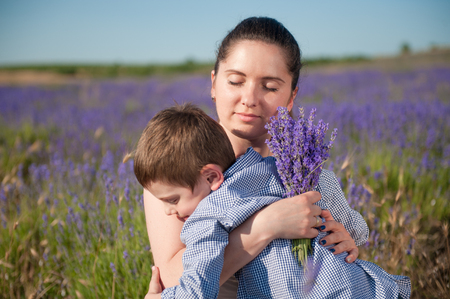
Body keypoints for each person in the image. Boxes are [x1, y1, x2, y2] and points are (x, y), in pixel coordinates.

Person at [143, 17, 368, 298]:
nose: (249, 98)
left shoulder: (301, 172)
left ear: (291, 96)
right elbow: (175, 277)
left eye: (270, 87)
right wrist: (266, 226)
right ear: (213, 83)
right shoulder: (175, 168)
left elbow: (342, 245)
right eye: (236, 81)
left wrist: (342, 248)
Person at [134, 103, 411, 298]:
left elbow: (198, 282)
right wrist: (347, 234)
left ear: (211, 178)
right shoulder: (291, 173)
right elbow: (356, 229)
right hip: (359, 287)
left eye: (172, 200)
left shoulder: (210, 212)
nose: (168, 211)